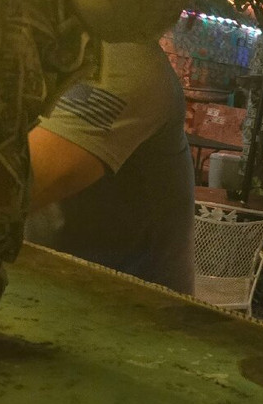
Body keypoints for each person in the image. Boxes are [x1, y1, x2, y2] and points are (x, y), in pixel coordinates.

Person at [24, 41, 196, 294]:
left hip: (122, 308)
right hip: (51, 290)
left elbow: (9, 187)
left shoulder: (124, 59)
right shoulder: (50, 52)